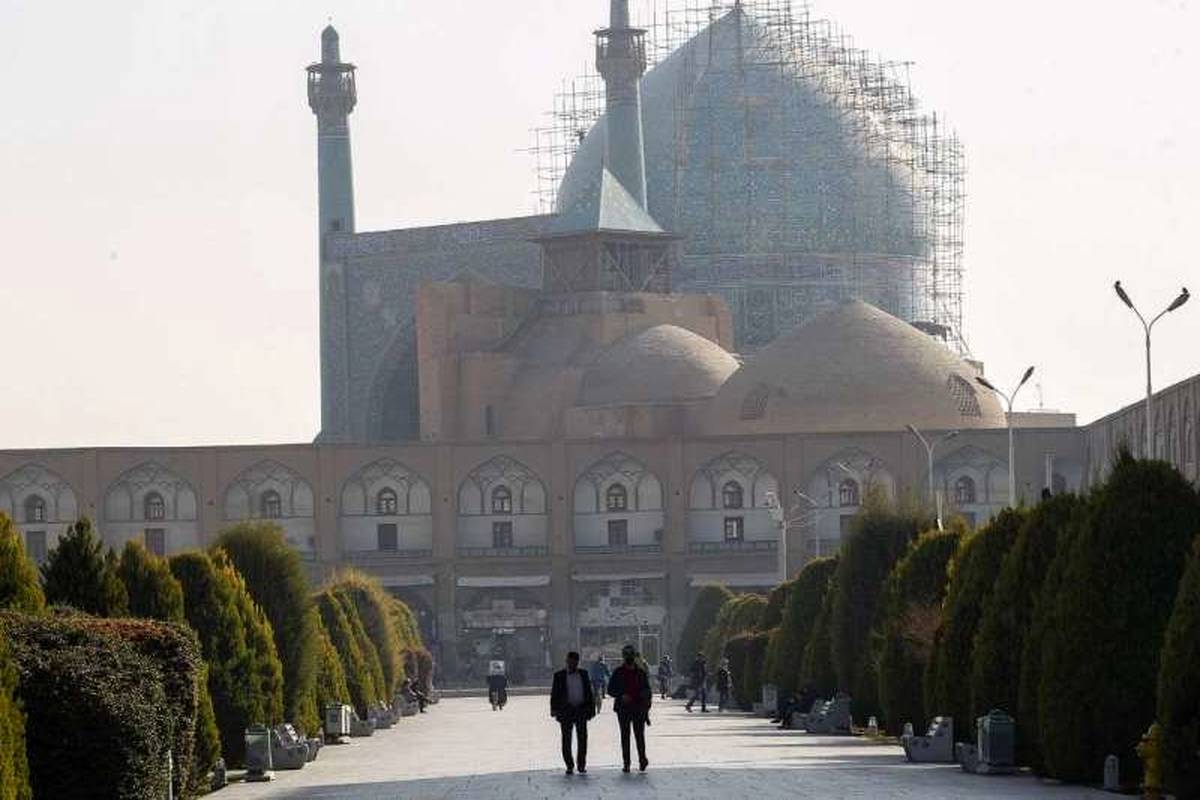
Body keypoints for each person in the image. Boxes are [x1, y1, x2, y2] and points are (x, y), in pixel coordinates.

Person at [608, 643, 652, 773]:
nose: (629, 657)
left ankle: (642, 759)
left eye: (630, 655)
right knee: (625, 736)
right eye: (626, 655)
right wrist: (621, 695)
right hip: (623, 708)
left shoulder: (641, 673)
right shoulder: (618, 672)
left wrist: (645, 703)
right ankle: (626, 762)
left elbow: (647, 690)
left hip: (638, 708)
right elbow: (610, 689)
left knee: (639, 735)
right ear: (623, 656)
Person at [550, 651, 596, 775]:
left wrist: (591, 709)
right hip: (566, 710)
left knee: (582, 738)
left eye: (574, 662)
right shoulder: (559, 676)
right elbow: (555, 693)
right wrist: (554, 709)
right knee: (566, 739)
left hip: (581, 709)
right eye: (570, 662)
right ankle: (569, 765)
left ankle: (581, 764)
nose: (572, 664)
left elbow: (589, 693)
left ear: (577, 662)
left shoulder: (584, 674)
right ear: (567, 662)